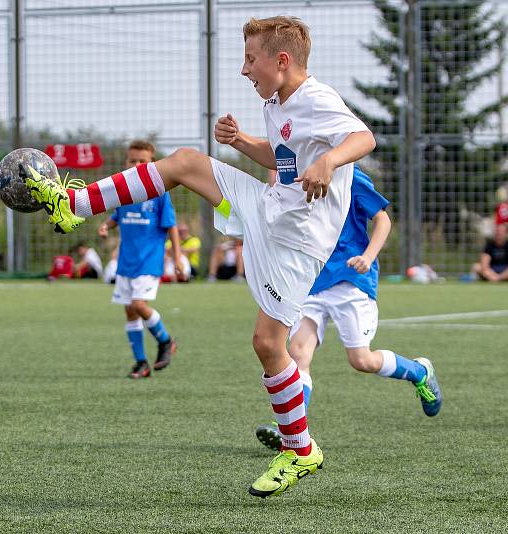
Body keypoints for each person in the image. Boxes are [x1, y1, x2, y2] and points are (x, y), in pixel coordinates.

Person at [26, 16, 377, 497]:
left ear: (281, 60)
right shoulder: (278, 102)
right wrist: (241, 143)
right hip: (269, 210)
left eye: (250, 59)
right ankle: (75, 204)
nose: (243, 69)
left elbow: (363, 138)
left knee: (268, 345)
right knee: (188, 161)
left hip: (297, 243)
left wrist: (330, 160)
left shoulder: (317, 98)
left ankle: (300, 450)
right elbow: (282, 159)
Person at [254, 166, 442, 452]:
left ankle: (419, 372)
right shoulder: (295, 170)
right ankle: (290, 432)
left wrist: (368, 256)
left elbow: (382, 220)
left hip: (350, 278)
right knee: (298, 353)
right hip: (311, 280)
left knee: (361, 360)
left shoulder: (348, 174)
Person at [97, 140, 182, 378]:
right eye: (132, 160)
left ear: (152, 163)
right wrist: (107, 225)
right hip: (126, 262)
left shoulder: (159, 193)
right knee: (130, 312)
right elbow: (117, 215)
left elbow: (171, 227)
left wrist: (176, 258)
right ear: (126, 162)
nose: (136, 165)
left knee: (138, 305)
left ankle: (166, 341)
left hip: (149, 261)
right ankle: (141, 363)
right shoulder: (123, 191)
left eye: (142, 161)